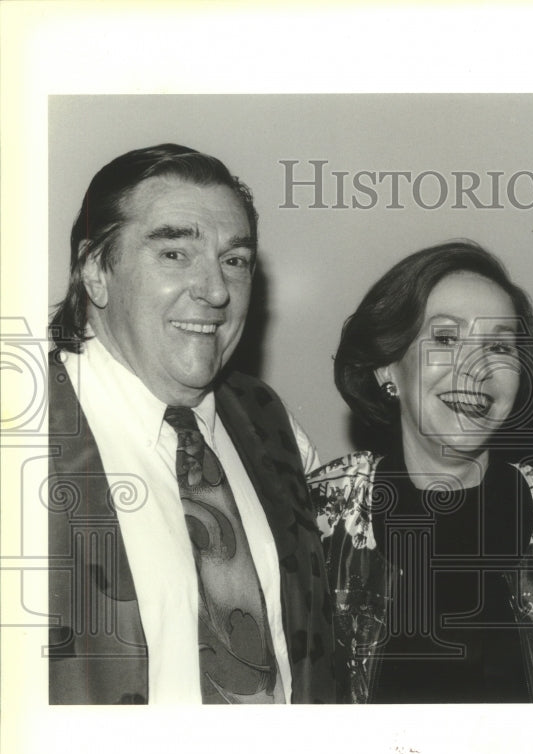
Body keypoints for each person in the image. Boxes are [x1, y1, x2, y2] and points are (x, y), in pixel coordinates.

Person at [47, 144, 335, 704]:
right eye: (175, 253)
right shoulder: (24, 430)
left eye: (235, 260)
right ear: (95, 271)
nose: (217, 290)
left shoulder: (271, 428)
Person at [307, 241, 533, 703]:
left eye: (498, 346)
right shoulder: (321, 513)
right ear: (386, 367)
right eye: (446, 338)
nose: (475, 369)